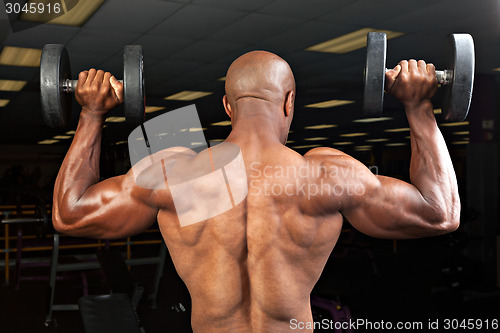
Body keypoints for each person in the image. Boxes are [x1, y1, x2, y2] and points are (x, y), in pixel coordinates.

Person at [52, 51, 460, 332]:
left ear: (228, 106)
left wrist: (91, 112)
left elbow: (69, 213)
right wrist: (419, 106)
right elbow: (440, 213)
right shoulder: (325, 175)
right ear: (289, 103)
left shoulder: (176, 174)